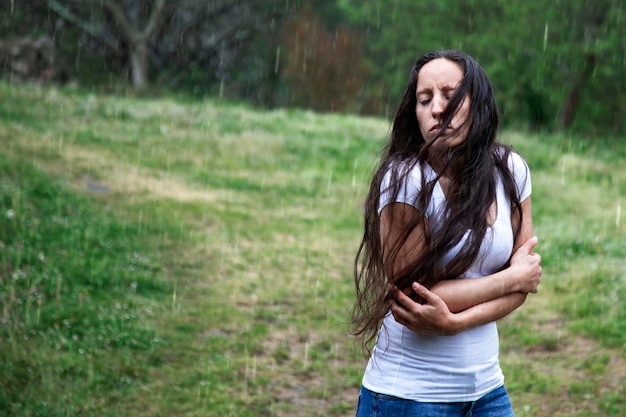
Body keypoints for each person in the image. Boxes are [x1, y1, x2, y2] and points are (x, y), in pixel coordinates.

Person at [351, 50, 542, 416]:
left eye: (450, 96)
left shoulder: (510, 171)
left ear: (478, 104)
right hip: (409, 398)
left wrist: (455, 322)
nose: (438, 108)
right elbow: (415, 296)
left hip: (488, 393)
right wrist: (510, 277)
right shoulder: (405, 179)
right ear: (415, 113)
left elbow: (525, 284)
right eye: (425, 100)